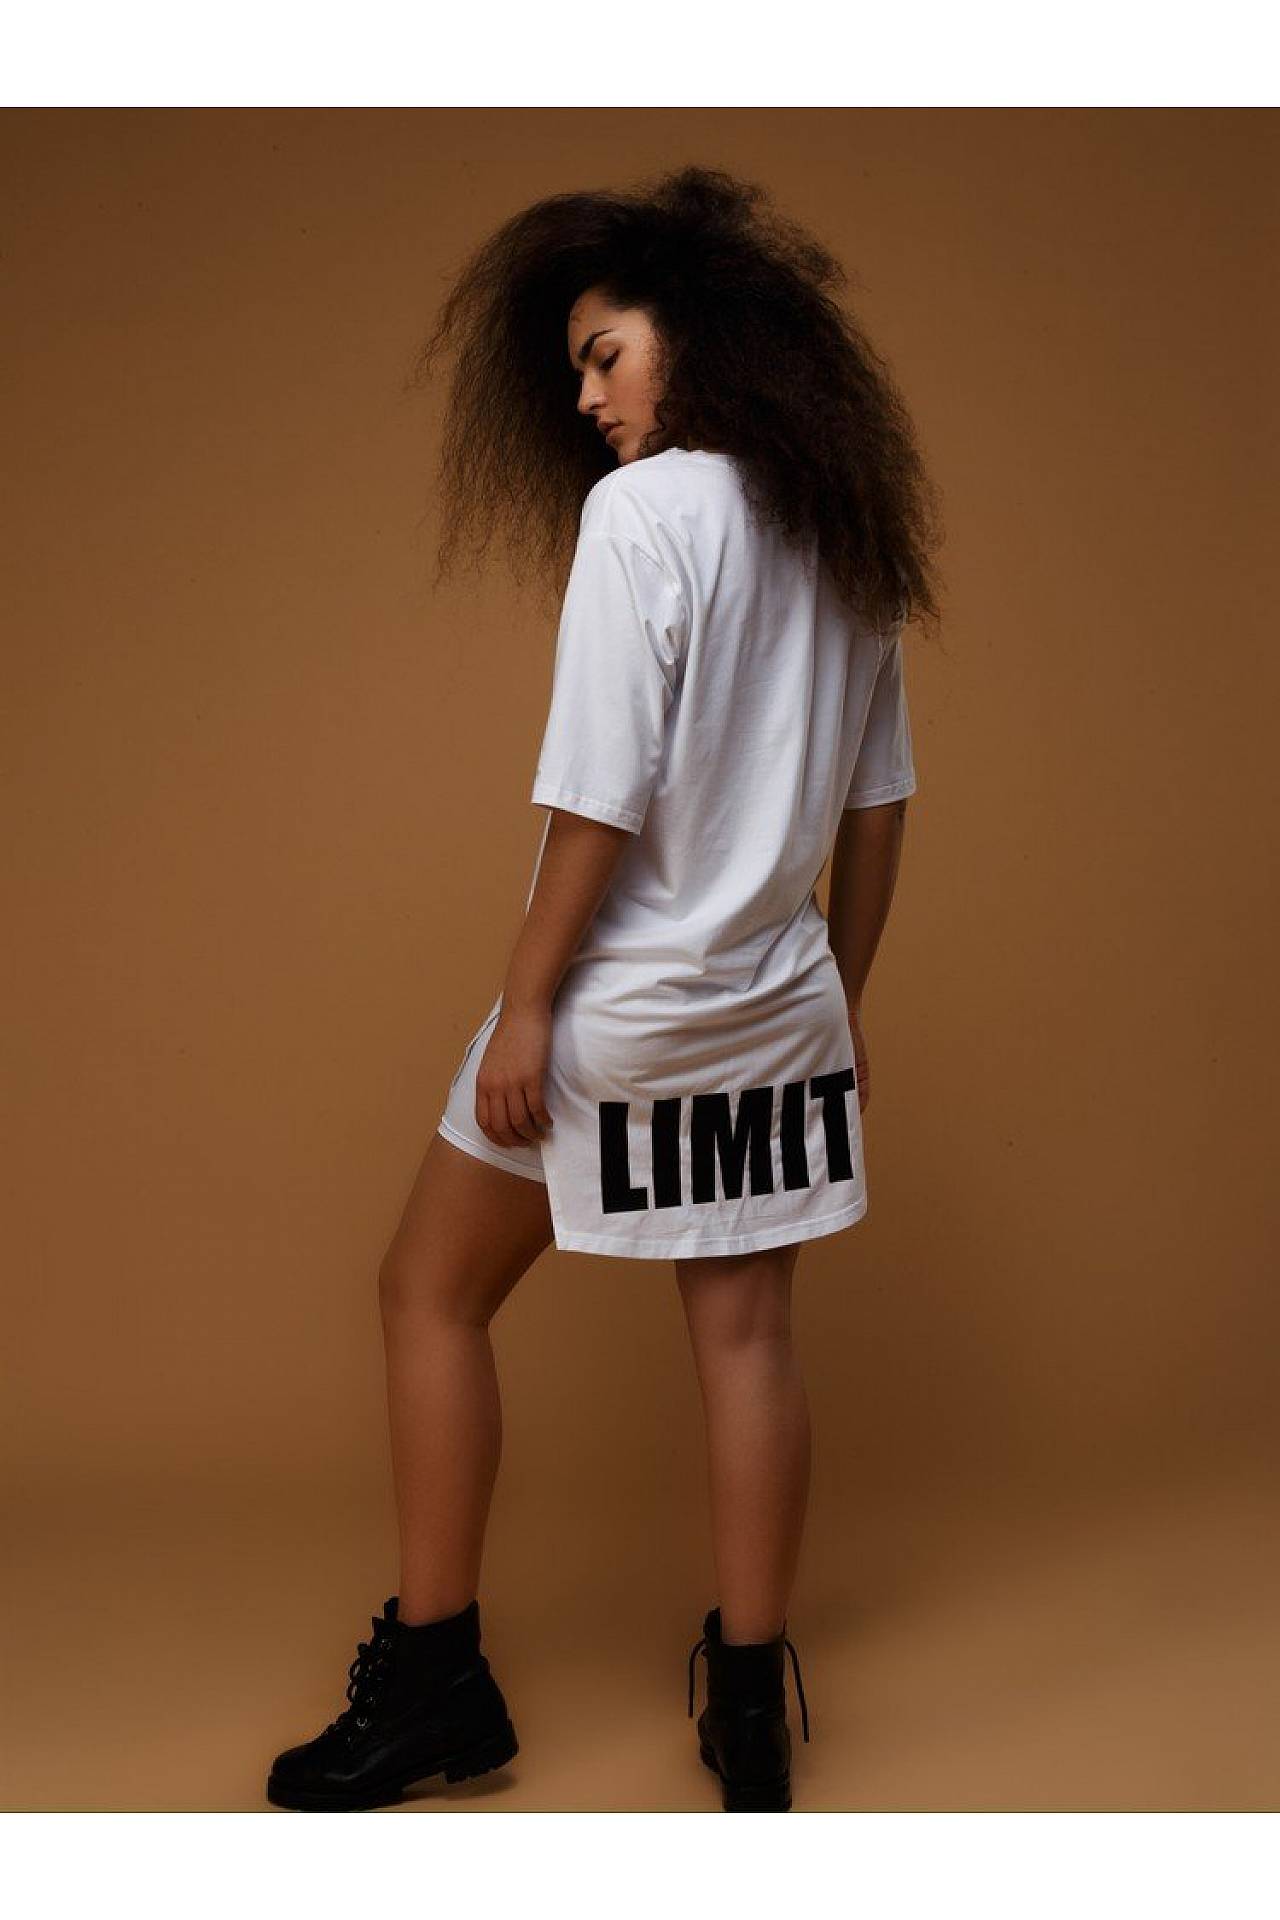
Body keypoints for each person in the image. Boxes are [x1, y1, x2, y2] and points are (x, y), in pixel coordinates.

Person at [266, 164, 942, 1815]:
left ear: (696, 336)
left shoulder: (644, 517)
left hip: (621, 1005)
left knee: (427, 1293)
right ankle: (750, 1714)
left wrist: (525, 1006)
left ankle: (436, 1680)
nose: (585, 400)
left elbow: (596, 794)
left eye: (604, 355)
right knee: (750, 1343)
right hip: (776, 1008)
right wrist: (840, 1002)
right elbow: (879, 807)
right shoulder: (844, 520)